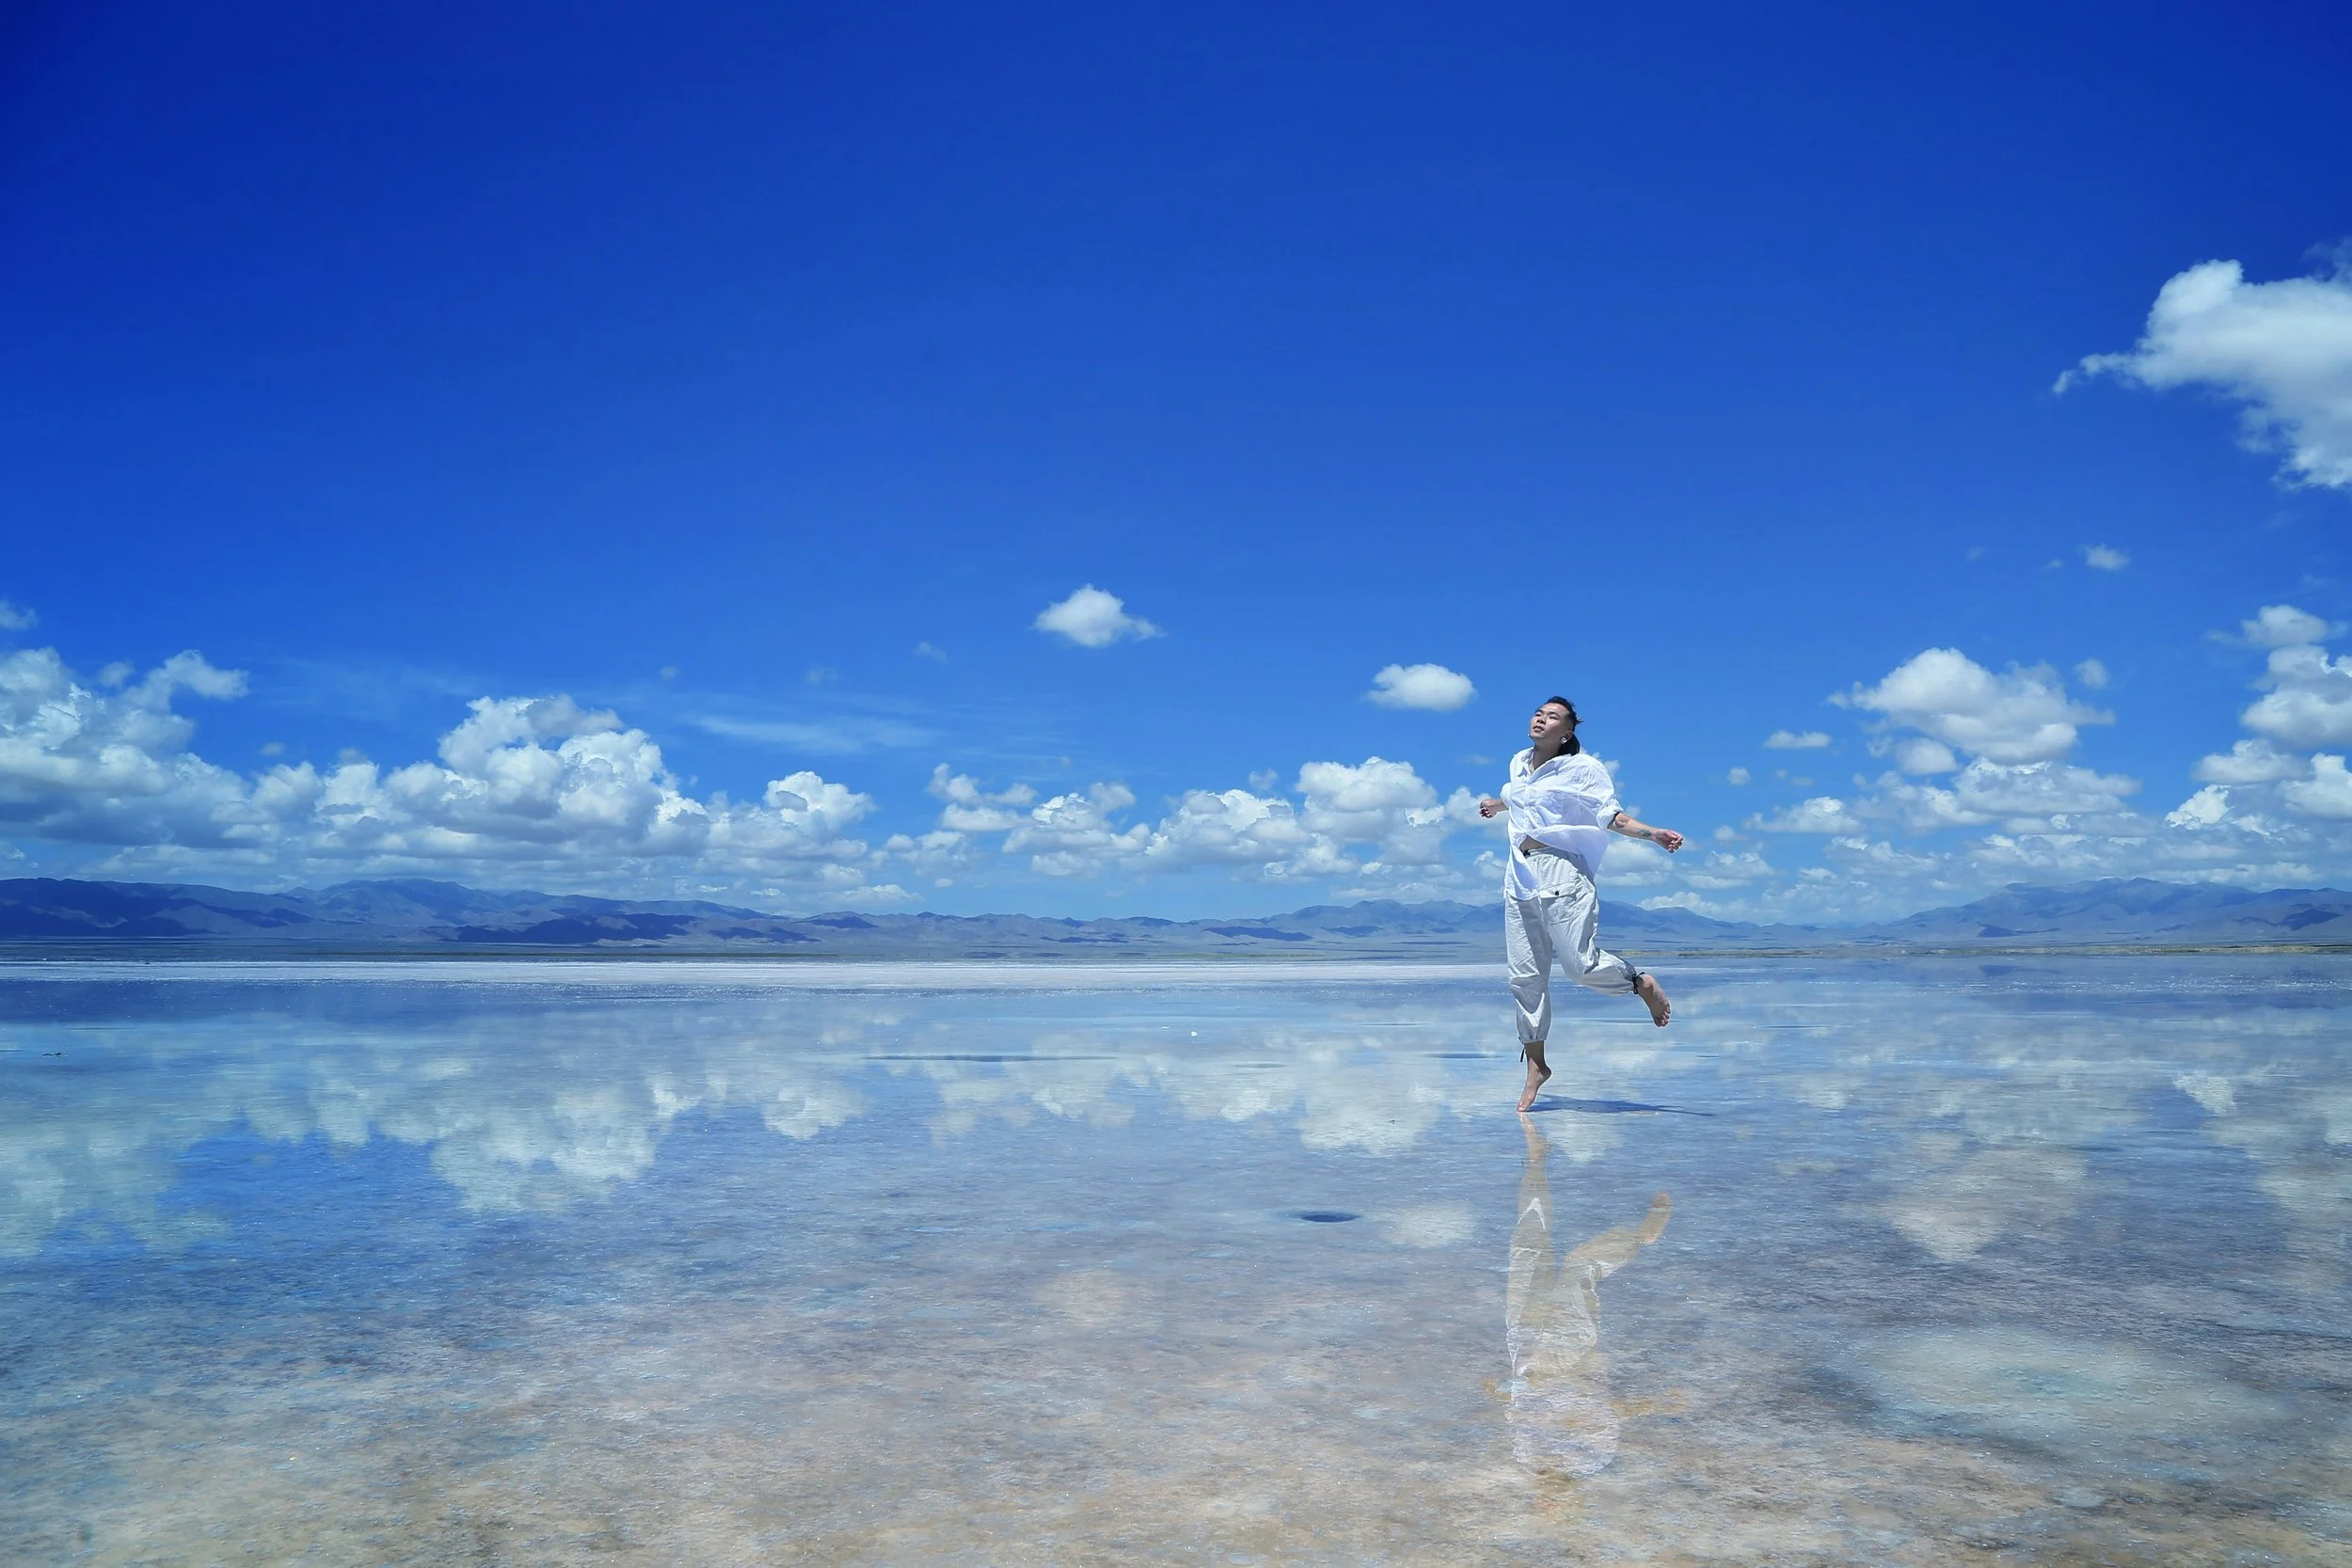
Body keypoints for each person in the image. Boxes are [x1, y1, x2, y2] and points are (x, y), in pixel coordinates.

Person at [1478, 697, 1684, 1112]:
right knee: (1524, 978)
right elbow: (1522, 797)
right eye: (1539, 712)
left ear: (1567, 732)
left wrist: (1653, 834)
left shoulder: (1583, 769)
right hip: (1519, 875)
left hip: (1562, 872)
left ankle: (1637, 982)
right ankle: (1536, 1066)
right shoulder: (1519, 763)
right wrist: (1496, 805)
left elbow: (1612, 816)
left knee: (1579, 965)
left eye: (1552, 716)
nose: (1541, 718)